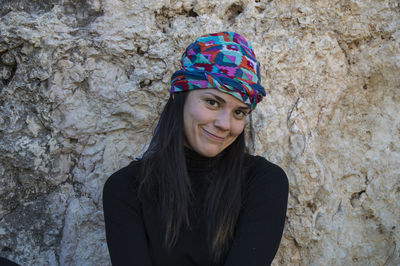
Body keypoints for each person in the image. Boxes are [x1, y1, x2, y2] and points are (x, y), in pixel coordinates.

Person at [103, 32, 289, 266]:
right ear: (180, 97)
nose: (225, 124)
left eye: (239, 112)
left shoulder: (263, 182)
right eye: (212, 102)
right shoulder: (127, 188)